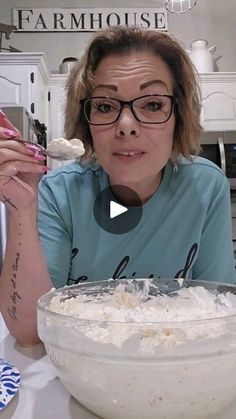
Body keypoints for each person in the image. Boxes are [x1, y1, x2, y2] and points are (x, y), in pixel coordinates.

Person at [0, 25, 235, 346]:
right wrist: (21, 207)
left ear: (178, 116)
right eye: (106, 106)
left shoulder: (206, 188)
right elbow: (30, 332)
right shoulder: (59, 193)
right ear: (86, 123)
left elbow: (221, 314)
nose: (126, 126)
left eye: (152, 104)